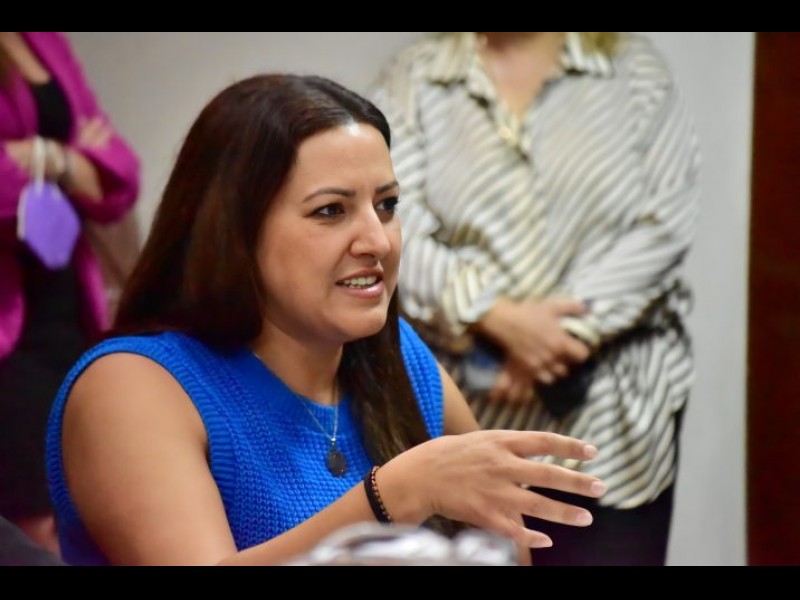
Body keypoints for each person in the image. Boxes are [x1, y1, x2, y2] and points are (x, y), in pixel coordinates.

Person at [44, 73, 607, 566]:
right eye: (331, 211)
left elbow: (504, 551)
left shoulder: (401, 356)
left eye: (386, 205)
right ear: (233, 232)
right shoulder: (130, 387)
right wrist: (391, 497)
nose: (377, 240)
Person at [370, 32, 700, 566]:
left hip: (614, 417)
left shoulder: (635, 72)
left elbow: (664, 225)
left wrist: (557, 338)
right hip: (469, 410)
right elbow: (388, 217)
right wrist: (494, 317)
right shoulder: (413, 79)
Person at [0, 32, 140, 554]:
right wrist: (71, 162)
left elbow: (119, 177)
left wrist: (44, 157)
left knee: (101, 502)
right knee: (38, 531)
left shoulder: (42, 38)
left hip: (70, 305)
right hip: (9, 340)